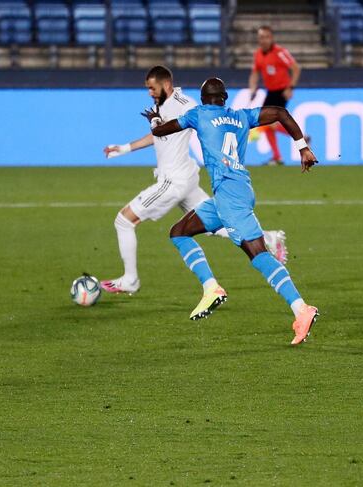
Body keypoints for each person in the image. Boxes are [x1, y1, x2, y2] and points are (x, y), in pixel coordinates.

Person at [149, 78, 319, 346]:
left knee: (258, 254)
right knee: (179, 232)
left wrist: (155, 122)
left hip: (229, 195)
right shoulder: (241, 117)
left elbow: (162, 132)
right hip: (234, 192)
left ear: (204, 99)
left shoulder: (198, 114)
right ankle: (210, 288)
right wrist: (302, 147)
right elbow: (281, 113)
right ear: (225, 98)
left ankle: (301, 309)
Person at [101, 66, 288, 294]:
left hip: (173, 181)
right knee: (215, 223)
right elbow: (160, 133)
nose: (149, 92)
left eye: (152, 87)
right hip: (186, 178)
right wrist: (124, 148)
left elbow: (201, 115)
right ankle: (268, 238)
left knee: (124, 220)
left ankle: (130, 279)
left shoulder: (185, 103)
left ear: (166, 84)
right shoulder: (163, 106)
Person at [248, 25, 301, 166]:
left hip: (282, 91)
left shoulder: (280, 52)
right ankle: (277, 157)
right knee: (267, 124)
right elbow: (255, 73)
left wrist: (291, 87)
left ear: (271, 38)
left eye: (266, 37)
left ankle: (299, 137)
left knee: (269, 123)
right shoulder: (258, 54)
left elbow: (296, 68)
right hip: (270, 92)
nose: (263, 40)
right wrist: (252, 88)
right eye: (261, 37)